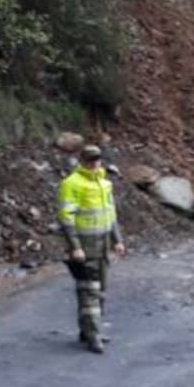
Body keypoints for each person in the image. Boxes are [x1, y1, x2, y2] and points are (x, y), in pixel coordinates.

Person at [57, 145, 126, 353]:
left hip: (103, 244)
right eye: (90, 160)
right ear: (82, 161)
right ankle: (93, 335)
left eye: (97, 159)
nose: (95, 163)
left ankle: (87, 330)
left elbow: (110, 215)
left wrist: (117, 240)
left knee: (101, 291)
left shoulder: (104, 184)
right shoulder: (71, 184)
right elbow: (66, 217)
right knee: (89, 291)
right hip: (85, 246)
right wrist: (75, 247)